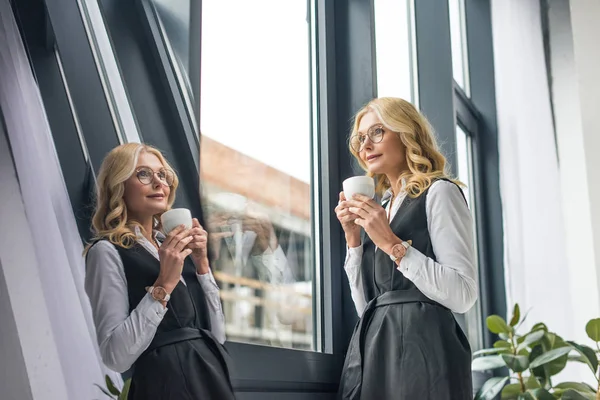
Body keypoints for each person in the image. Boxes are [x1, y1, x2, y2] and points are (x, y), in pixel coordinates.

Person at [335, 97, 478, 399]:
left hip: (426, 353)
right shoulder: (383, 207)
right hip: (377, 349)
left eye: (377, 132)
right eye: (361, 138)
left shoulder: (440, 192)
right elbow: (369, 309)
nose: (366, 146)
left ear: (406, 132)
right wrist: (354, 239)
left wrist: (391, 243)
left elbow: (463, 295)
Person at [84, 143, 235, 400]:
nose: (158, 182)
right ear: (118, 185)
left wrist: (202, 266)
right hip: (167, 386)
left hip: (209, 378)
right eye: (143, 173)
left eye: (162, 174)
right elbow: (115, 357)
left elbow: (216, 337)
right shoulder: (107, 251)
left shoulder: (173, 247)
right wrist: (163, 285)